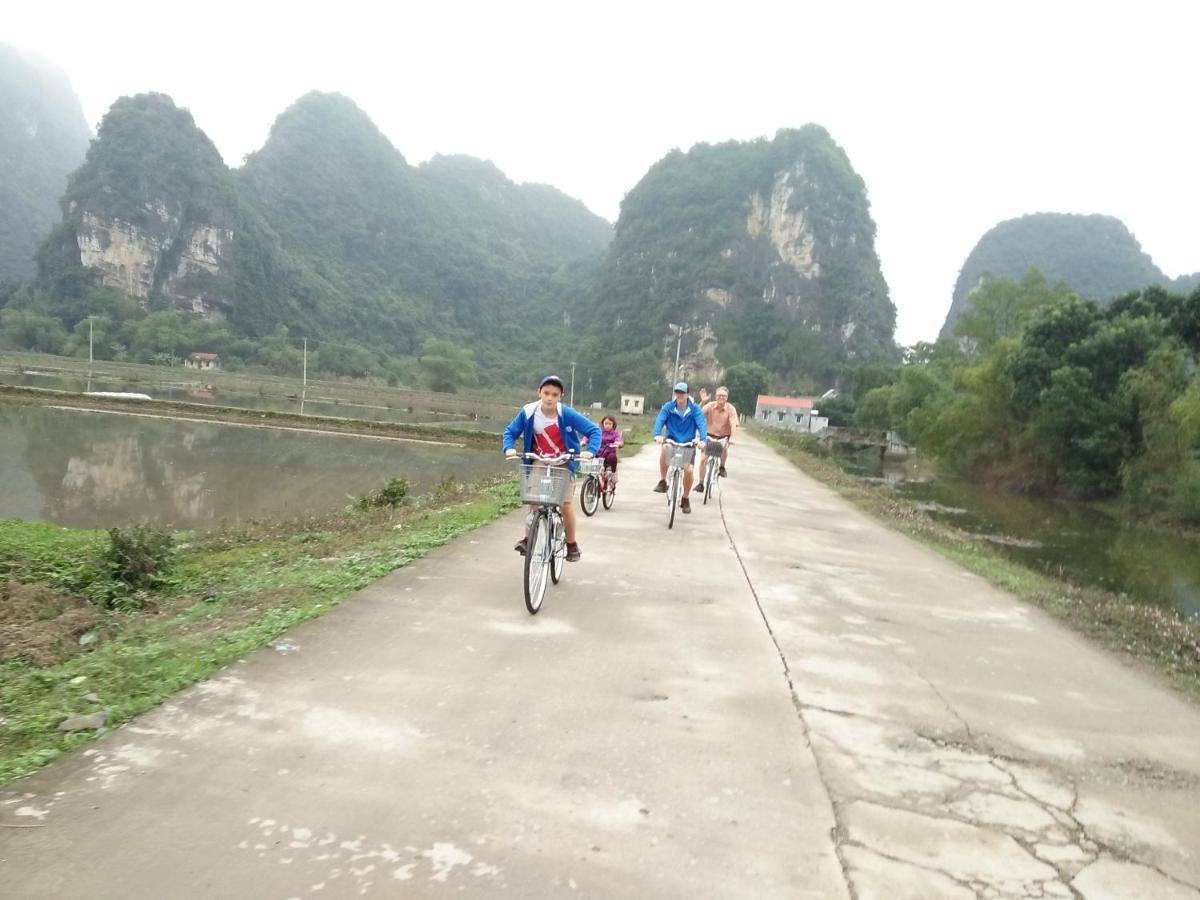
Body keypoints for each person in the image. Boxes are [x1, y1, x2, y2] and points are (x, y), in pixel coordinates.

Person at [503, 375, 601, 561]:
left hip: (564, 460)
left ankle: (572, 545)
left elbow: (594, 430)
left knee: (565, 505)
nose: (549, 398)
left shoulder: (567, 414)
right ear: (539, 392)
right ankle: (527, 538)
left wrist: (591, 451)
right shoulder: (528, 411)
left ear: (560, 396)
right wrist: (509, 448)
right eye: (546, 393)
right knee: (533, 501)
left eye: (554, 394)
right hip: (540, 459)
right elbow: (511, 431)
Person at [651, 381, 708, 514]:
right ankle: (663, 481)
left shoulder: (695, 410)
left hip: (688, 443)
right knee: (665, 448)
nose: (680, 395)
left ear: (688, 394)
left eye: (683, 392)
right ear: (675, 394)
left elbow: (702, 425)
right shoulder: (668, 407)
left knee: (688, 470)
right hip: (672, 440)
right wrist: (657, 434)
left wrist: (703, 440)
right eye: (677, 392)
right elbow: (660, 420)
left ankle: (685, 498)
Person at [696, 385, 738, 492]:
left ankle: (722, 467)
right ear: (715, 396)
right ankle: (701, 483)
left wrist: (732, 437)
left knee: (724, 447)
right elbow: (698, 414)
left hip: (724, 436)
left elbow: (733, 423)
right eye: (719, 395)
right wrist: (702, 402)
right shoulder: (710, 406)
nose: (721, 398)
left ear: (727, 398)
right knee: (702, 460)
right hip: (709, 435)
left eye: (723, 396)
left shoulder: (731, 409)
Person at [597, 415, 623, 481]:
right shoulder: (598, 432)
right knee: (591, 456)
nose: (607, 425)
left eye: (610, 424)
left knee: (612, 457)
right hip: (600, 453)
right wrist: (584, 441)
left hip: (609, 453)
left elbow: (618, 439)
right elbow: (591, 437)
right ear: (603, 424)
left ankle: (613, 473)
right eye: (606, 423)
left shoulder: (615, 433)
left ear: (613, 425)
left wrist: (618, 443)